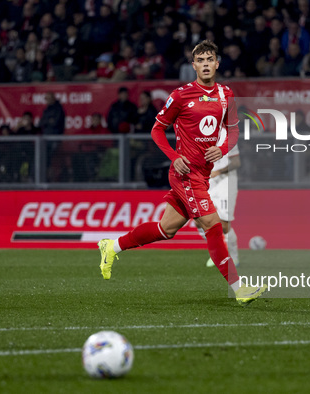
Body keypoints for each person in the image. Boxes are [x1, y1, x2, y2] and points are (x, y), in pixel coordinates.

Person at [97, 40, 267, 306]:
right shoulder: (180, 95)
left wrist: (222, 149)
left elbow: (233, 130)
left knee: (166, 229)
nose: (206, 64)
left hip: (203, 174)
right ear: (194, 66)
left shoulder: (226, 95)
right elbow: (156, 130)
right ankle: (239, 288)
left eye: (210, 59)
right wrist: (175, 158)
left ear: (217, 63)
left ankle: (112, 246)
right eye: (200, 60)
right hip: (185, 174)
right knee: (213, 225)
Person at [203, 144, 241, 268]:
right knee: (201, 221)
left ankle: (234, 257)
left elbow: (236, 162)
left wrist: (219, 171)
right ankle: (217, 254)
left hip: (226, 182)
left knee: (224, 224)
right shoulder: (202, 137)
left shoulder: (228, 138)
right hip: (209, 182)